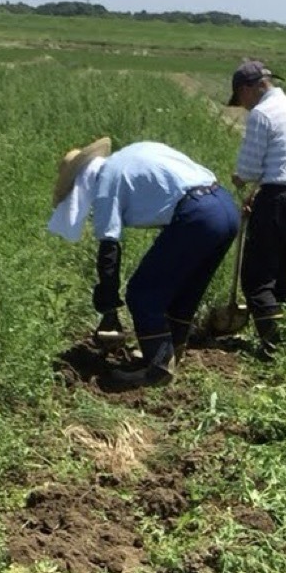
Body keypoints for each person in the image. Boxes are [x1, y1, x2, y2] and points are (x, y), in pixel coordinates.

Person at [48, 137, 239, 390]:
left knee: (142, 293)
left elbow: (109, 251)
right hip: (224, 207)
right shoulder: (129, 156)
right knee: (183, 292)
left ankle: (158, 369)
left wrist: (109, 309)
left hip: (198, 216)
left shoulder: (105, 183)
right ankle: (170, 355)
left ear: (82, 182)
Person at [228, 60, 286, 359]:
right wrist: (259, 191)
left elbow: (250, 168)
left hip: (278, 202)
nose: (243, 107)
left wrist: (240, 179)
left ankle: (272, 347)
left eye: (240, 100)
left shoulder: (262, 114)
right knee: (281, 276)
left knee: (256, 280)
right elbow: (285, 163)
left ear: (248, 89)